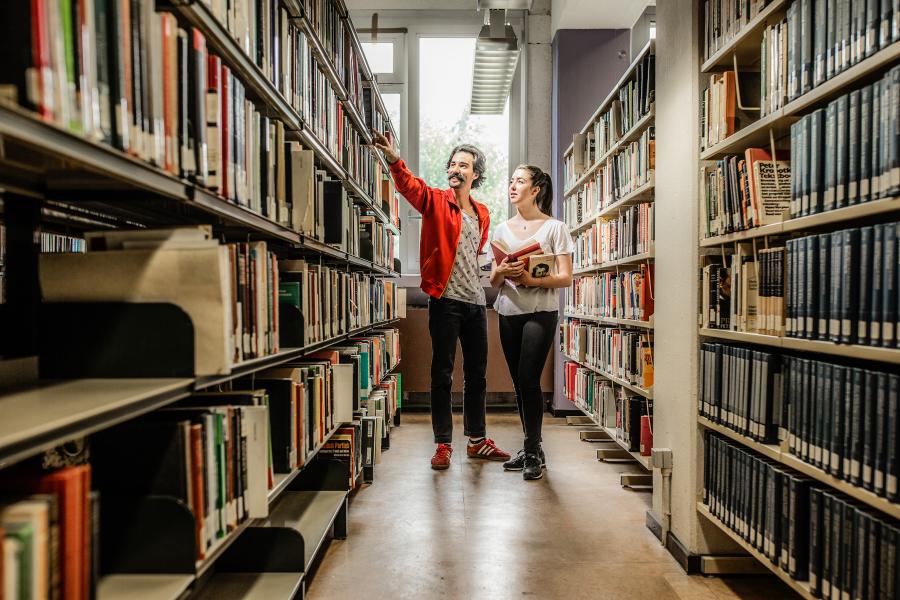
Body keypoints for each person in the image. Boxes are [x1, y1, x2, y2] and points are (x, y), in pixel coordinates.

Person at [372, 131, 510, 470]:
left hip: (476, 302)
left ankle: (477, 440)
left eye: (463, 165)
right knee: (442, 374)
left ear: (475, 174)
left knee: (477, 375)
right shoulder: (434, 199)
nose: (455, 169)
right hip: (444, 301)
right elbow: (408, 186)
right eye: (452, 163)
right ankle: (443, 443)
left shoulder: (482, 212)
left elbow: (474, 255)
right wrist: (393, 158)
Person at [490, 165, 574, 480]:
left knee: (528, 380)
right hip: (508, 310)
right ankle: (531, 449)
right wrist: (503, 272)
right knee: (518, 384)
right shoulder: (500, 229)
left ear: (535, 189)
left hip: (541, 312)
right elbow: (494, 281)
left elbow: (565, 277)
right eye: (511, 180)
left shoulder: (555, 228)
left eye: (520, 181)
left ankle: (533, 450)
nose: (513, 185)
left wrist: (530, 279)